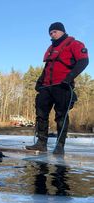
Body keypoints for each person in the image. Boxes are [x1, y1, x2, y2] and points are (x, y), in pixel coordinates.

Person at [26, 22, 89, 155]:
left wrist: (69, 78)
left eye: (54, 31)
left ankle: (60, 145)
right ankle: (41, 143)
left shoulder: (74, 44)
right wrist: (39, 81)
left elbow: (84, 61)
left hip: (62, 86)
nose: (52, 34)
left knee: (61, 116)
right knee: (41, 114)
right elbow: (47, 67)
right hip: (47, 87)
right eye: (50, 33)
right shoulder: (50, 48)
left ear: (62, 31)